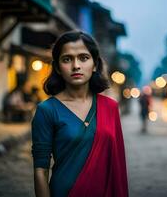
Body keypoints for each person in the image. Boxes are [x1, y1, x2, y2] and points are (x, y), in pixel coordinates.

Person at [31, 31, 128, 197]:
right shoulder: (46, 111)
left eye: (83, 58)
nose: (76, 65)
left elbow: (118, 166)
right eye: (67, 59)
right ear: (57, 67)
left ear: (95, 64)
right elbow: (41, 170)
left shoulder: (110, 108)